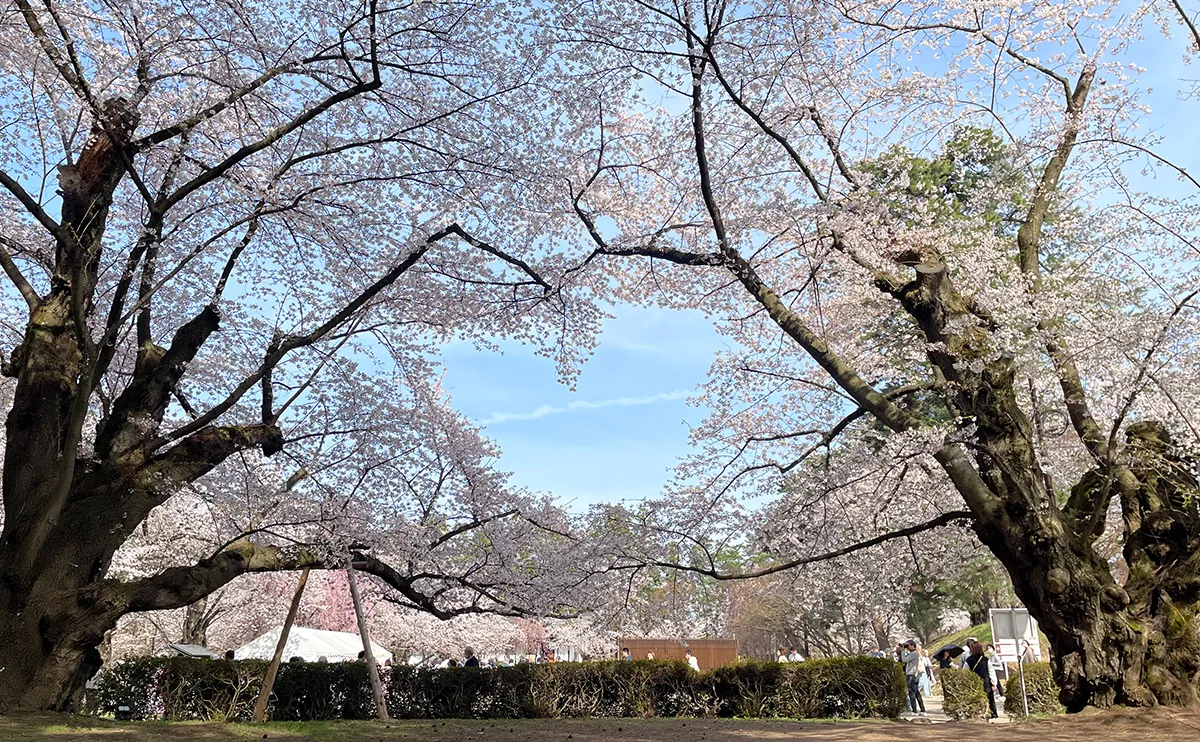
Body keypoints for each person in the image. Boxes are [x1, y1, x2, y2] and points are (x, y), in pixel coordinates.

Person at [965, 643, 998, 719]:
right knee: (989, 698)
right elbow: (991, 672)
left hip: (974, 684)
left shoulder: (969, 660)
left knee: (976, 699)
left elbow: (965, 672)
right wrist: (994, 683)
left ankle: (978, 713)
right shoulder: (985, 660)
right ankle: (992, 713)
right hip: (986, 683)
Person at [899, 640, 927, 715]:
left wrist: (902, 651)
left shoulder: (914, 653)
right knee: (917, 692)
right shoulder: (913, 653)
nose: (907, 647)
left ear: (912, 645)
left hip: (911, 674)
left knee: (912, 692)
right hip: (913, 674)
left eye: (908, 646)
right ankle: (922, 710)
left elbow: (904, 660)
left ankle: (914, 710)